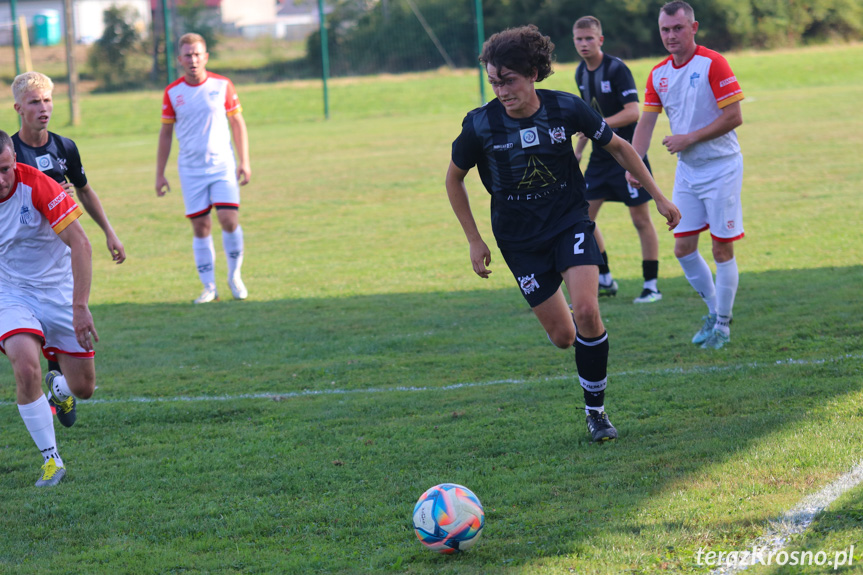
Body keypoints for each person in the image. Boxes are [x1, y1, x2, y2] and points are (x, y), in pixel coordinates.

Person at [445, 25, 680, 442]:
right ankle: (583, 342)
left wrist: (658, 195)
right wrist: (474, 239)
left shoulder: (566, 109)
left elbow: (621, 148)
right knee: (563, 336)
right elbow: (453, 179)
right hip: (518, 241)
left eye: (510, 81)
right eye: (494, 82)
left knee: (588, 311)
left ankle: (597, 413)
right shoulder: (479, 125)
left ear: (534, 73)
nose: (502, 91)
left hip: (569, 223)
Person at [627, 1, 745, 350]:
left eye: (678, 28)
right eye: (665, 29)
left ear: (693, 28)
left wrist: (687, 138)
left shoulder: (713, 62)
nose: (670, 35)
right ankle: (714, 313)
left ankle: (723, 325)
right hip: (688, 172)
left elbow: (734, 116)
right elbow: (645, 122)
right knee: (682, 247)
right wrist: (634, 164)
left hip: (722, 166)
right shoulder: (658, 73)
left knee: (721, 249)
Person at [11, 71, 125, 381]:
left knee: (80, 377)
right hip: (21, 261)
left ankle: (58, 385)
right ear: (18, 109)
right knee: (28, 338)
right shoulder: (8, 154)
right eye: (34, 102)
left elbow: (84, 190)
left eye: (47, 100)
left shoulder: (64, 147)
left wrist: (109, 232)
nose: (43, 108)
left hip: (61, 256)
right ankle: (45, 383)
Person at [0, 129, 98, 486]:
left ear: (13, 160)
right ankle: (51, 460)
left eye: (5, 168)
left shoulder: (38, 185)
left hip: (58, 292)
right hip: (10, 293)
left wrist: (80, 307)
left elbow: (81, 244)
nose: (1, 178)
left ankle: (62, 390)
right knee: (26, 369)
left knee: (84, 387)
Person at [155, 32, 251, 304]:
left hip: (222, 165)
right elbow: (165, 134)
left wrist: (244, 161)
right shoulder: (173, 92)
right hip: (190, 169)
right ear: (180, 59)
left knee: (228, 220)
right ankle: (209, 286)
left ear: (206, 57)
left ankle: (235, 277)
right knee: (201, 226)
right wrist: (160, 173)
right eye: (188, 55)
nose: (193, 59)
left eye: (197, 54)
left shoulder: (223, 85)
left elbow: (237, 124)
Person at [572, 16, 663, 304]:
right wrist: (578, 151)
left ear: (600, 40)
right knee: (582, 218)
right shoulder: (580, 73)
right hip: (599, 161)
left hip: (626, 155)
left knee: (640, 219)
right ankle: (605, 278)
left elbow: (633, 112)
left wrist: (595, 126)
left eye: (589, 38)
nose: (584, 43)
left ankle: (651, 285)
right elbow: (588, 114)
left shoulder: (616, 69)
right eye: (579, 39)